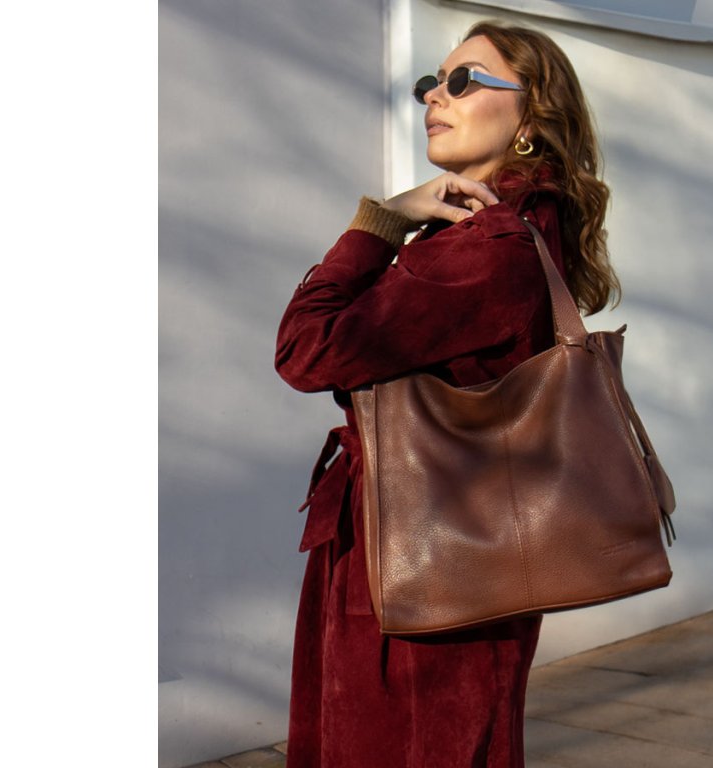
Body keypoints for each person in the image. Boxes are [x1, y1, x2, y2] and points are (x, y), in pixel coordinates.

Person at [274, 20, 620, 768]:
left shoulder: (483, 248)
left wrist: (383, 220)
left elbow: (305, 349)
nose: (435, 95)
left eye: (464, 81)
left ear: (531, 116)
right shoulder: (518, 231)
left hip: (418, 569)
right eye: (431, 82)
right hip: (455, 553)